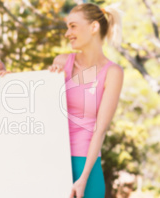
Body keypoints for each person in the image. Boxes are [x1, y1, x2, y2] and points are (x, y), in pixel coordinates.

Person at [48, 3, 123, 198]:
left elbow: (100, 130)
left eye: (73, 26)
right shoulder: (62, 62)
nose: (67, 33)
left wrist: (82, 179)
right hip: (54, 160)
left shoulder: (112, 73)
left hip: (86, 167)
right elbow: (45, 113)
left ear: (93, 27)